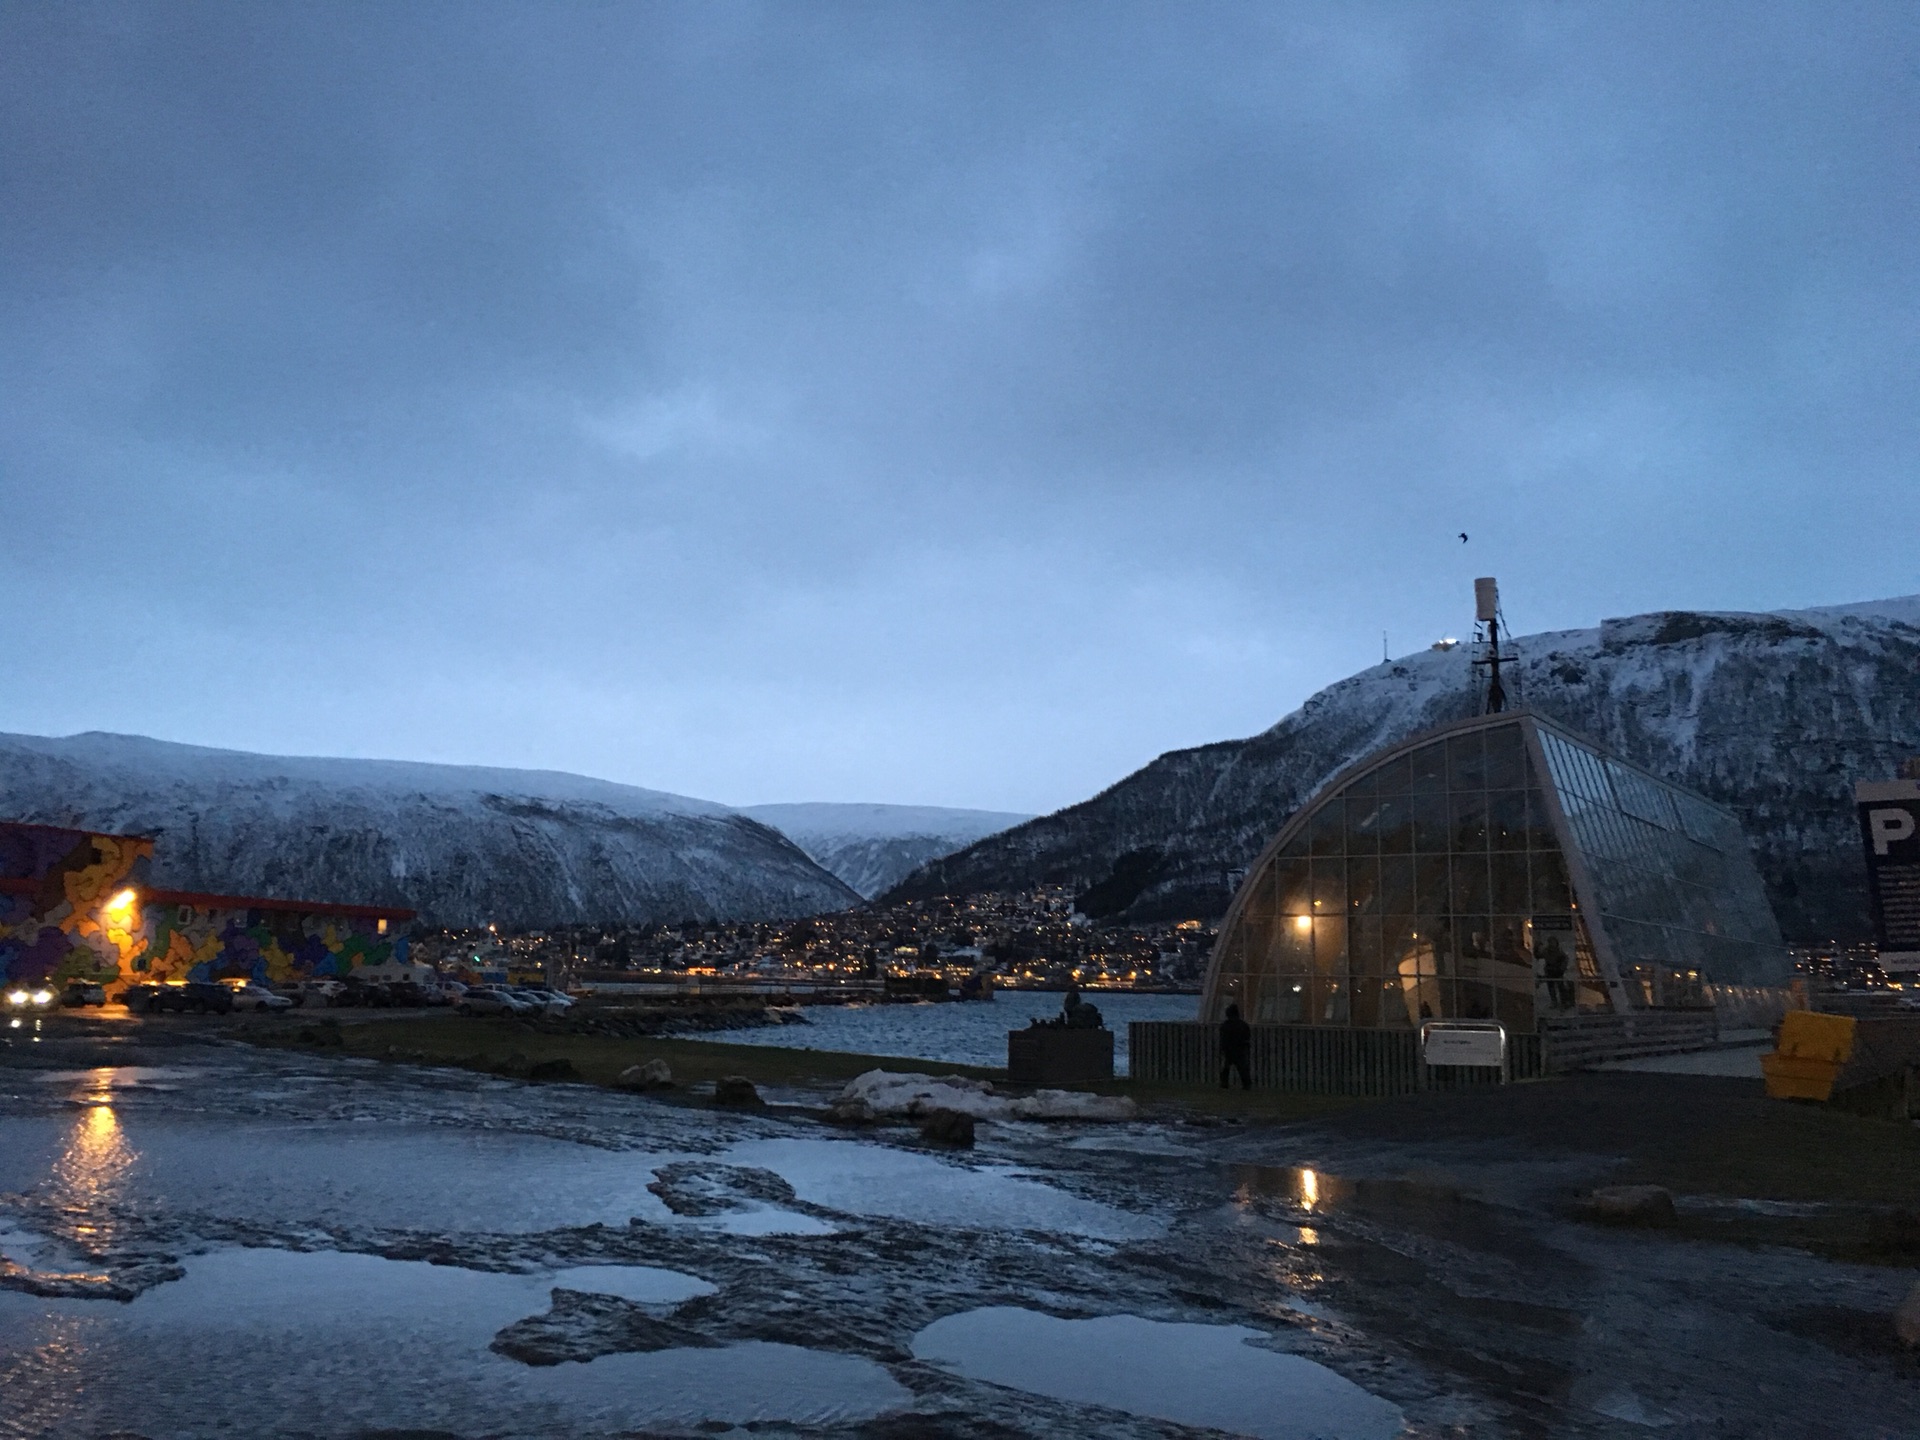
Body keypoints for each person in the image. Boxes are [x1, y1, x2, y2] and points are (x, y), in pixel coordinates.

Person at [1219, 1002, 1252, 1090]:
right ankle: (1246, 1085)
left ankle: (1224, 1084)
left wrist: (1222, 1048)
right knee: (1242, 1068)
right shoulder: (1243, 1025)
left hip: (1229, 1049)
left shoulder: (1226, 1025)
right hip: (1240, 1049)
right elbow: (1247, 1036)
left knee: (1225, 1068)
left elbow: (1223, 1038)